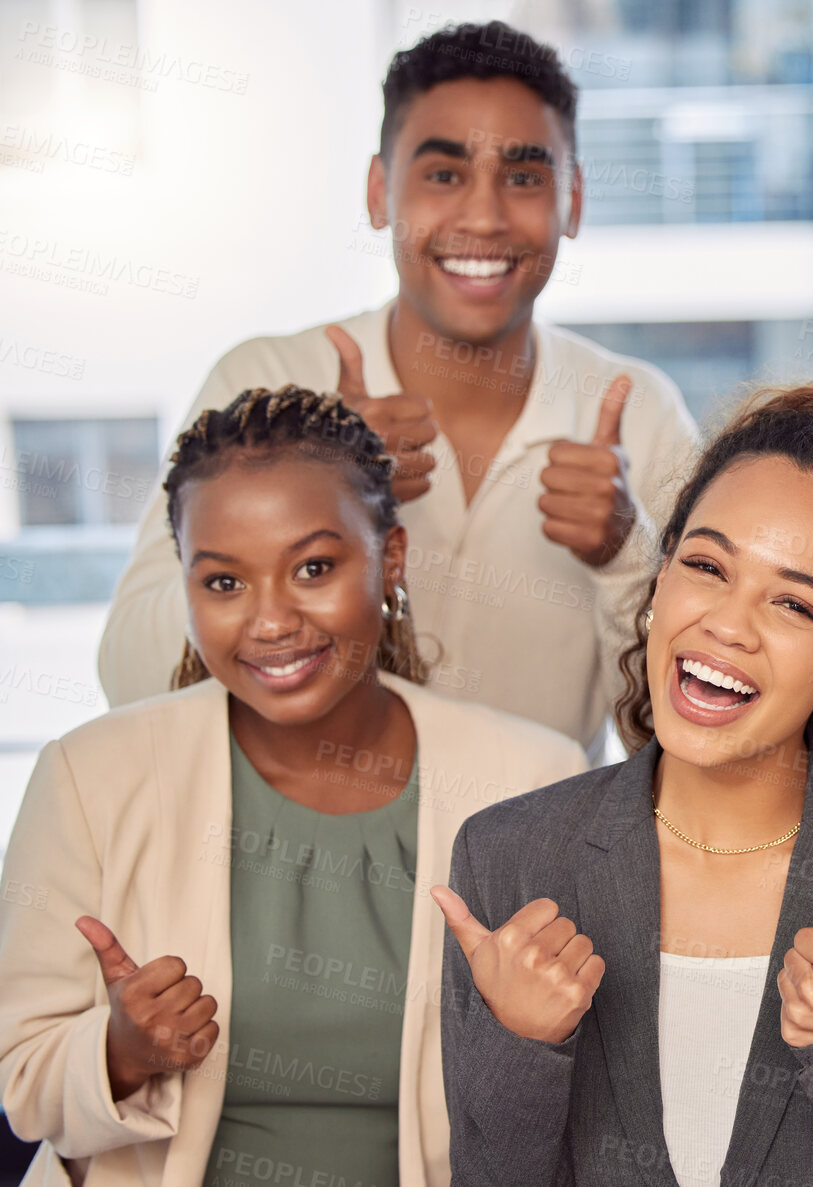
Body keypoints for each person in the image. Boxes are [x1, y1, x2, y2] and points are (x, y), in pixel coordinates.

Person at [432, 384, 813, 1186]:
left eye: (793, 602)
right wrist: (522, 1046)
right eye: (708, 566)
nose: (727, 623)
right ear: (661, 577)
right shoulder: (508, 855)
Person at [0, 387, 585, 1186]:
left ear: (393, 560)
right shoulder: (89, 775)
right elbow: (22, 1080)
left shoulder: (533, 778)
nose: (271, 620)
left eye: (313, 566)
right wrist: (121, 1052)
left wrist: (529, 1032)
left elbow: (584, 1100)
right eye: (224, 583)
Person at [97, 20, 699, 759]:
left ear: (572, 200)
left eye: (523, 177)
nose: (483, 216)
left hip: (534, 869)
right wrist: (310, 485)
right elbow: (127, 673)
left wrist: (624, 556)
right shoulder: (257, 383)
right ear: (381, 192)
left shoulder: (640, 411)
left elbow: (684, 728)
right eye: (443, 175)